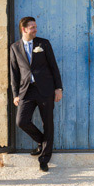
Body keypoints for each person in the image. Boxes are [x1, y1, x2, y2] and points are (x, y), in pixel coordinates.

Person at [9, 17, 63, 171]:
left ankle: (44, 159)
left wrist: (58, 88)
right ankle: (41, 141)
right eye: (32, 27)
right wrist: (15, 94)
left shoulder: (43, 43)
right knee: (22, 121)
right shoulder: (14, 47)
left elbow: (54, 66)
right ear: (24, 29)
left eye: (35, 27)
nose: (35, 30)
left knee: (48, 124)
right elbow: (14, 73)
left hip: (45, 89)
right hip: (26, 91)